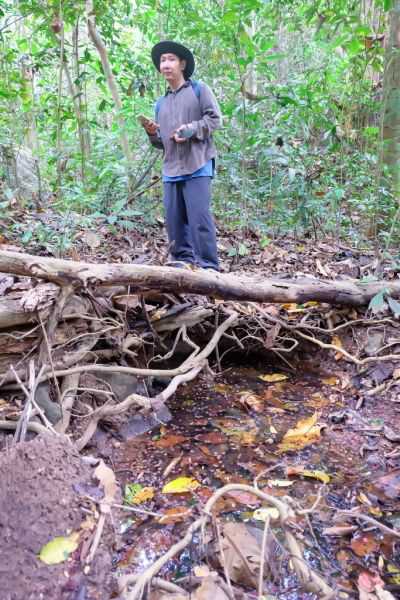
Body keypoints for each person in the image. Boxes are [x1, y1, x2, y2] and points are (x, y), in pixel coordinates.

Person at [141, 40, 221, 271]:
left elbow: (215, 120)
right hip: (171, 169)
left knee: (199, 219)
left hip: (198, 163)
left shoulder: (199, 90)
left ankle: (209, 268)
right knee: (174, 222)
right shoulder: (161, 103)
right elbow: (162, 143)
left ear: (182, 64)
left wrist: (191, 130)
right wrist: (152, 133)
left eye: (171, 59)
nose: (166, 64)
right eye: (162, 60)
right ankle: (182, 265)